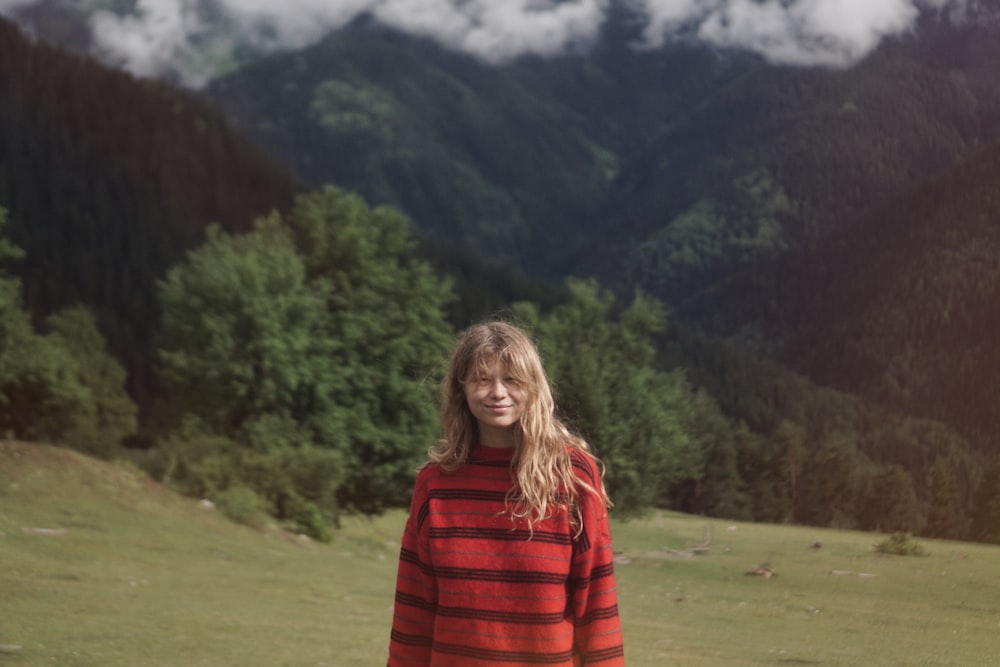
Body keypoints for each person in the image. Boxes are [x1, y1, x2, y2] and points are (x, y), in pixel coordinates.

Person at [387, 321, 625, 666]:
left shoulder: (572, 475)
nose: (497, 392)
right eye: (483, 379)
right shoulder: (435, 482)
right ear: (461, 388)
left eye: (511, 379)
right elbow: (414, 612)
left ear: (533, 387)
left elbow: (598, 609)